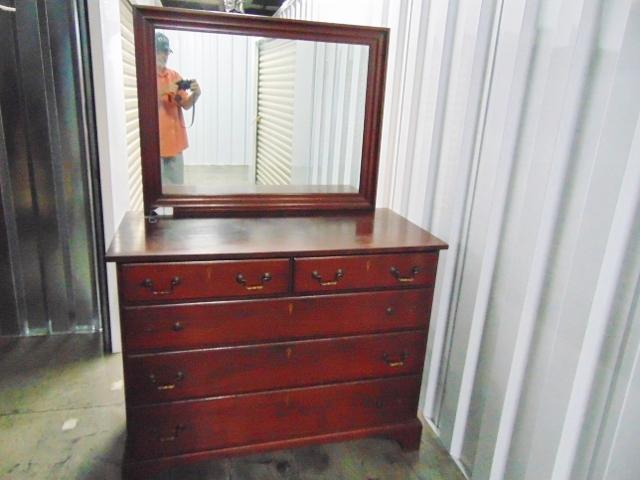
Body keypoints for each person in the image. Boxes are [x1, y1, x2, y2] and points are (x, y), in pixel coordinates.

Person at [155, 32, 201, 185]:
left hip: (174, 143)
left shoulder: (174, 76)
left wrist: (196, 94)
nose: (164, 55)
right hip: (154, 145)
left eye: (166, 51)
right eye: (160, 51)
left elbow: (186, 105)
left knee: (176, 190)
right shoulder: (144, 74)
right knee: (155, 191)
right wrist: (164, 90)